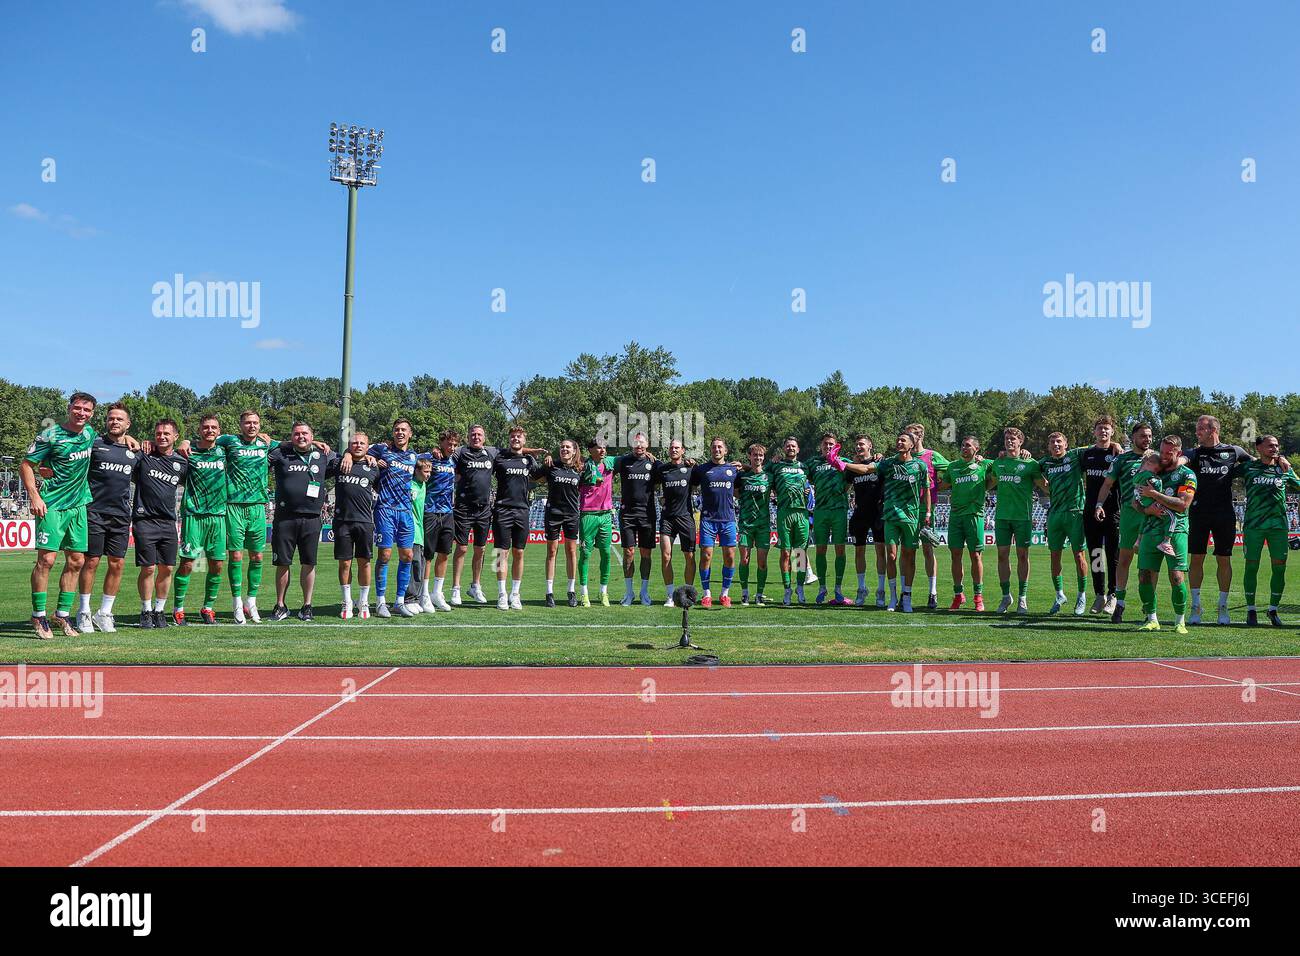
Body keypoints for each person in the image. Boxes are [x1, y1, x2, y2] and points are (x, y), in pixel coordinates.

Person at [1184, 415, 1289, 625]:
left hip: (1224, 513)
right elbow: (1175, 458)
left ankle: (1223, 608)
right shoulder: (1193, 453)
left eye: (1200, 429)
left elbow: (1259, 462)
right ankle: (1196, 608)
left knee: (1224, 559)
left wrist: (1280, 458)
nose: (1197, 432)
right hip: (1198, 512)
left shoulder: (1234, 451)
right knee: (1196, 559)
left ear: (1213, 430)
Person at [22, 392, 100, 638]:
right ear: (69, 409)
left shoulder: (90, 434)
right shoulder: (50, 434)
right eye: (78, 408)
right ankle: (39, 617)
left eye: (87, 410)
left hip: (78, 506)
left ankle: (62, 615)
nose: (82, 413)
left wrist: (130, 437)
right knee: (46, 561)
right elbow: (26, 465)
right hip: (52, 506)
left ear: (92, 414)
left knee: (77, 561)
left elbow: (113, 439)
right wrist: (35, 496)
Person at [833, 431, 930, 612]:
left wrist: (928, 513)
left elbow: (926, 489)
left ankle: (896, 594)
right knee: (883, 555)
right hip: (878, 515)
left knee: (901, 556)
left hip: (897, 515)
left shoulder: (907, 464)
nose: (899, 442)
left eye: (903, 440)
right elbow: (859, 475)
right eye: (898, 439)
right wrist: (843, 464)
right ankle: (882, 594)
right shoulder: (882, 464)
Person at [77, 402, 141, 633]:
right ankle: (83, 611)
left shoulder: (136, 452)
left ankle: (104, 613)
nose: (114, 422)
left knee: (117, 563)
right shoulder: (94, 444)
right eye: (111, 418)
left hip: (121, 515)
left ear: (128, 424)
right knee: (91, 562)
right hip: (94, 511)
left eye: (119, 419)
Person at [267, 423, 335, 621]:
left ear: (312, 436)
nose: (301, 437)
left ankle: (307, 606)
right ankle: (280, 605)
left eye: (305, 433)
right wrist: (284, 443)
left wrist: (347, 455)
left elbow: (349, 456)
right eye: (296, 434)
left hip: (312, 518)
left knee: (309, 563)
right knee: (282, 563)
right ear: (291, 437)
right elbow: (264, 446)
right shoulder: (281, 453)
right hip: (284, 518)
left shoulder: (324, 455)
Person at [1232, 435, 1300, 626]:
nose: (1274, 448)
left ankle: (1272, 609)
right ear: (1259, 447)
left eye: (1277, 445)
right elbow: (1225, 473)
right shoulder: (1248, 468)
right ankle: (1251, 610)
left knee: (1279, 568)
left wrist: (1287, 465)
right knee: (1251, 567)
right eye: (1270, 445)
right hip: (1254, 526)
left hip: (1278, 527)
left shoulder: (1284, 468)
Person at [1091, 424, 1155, 623]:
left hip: (1152, 517)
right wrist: (1099, 504)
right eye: (1143, 436)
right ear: (1133, 437)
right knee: (1124, 559)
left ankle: (1149, 608)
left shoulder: (1157, 459)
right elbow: (1107, 484)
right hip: (1128, 515)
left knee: (1149, 564)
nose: (1147, 439)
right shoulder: (1122, 459)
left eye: (1150, 436)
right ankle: (1119, 603)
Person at [1133, 436, 1197, 633]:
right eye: (1162, 451)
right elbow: (1135, 502)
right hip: (1151, 530)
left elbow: (1182, 504)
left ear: (1179, 453)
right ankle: (1152, 619)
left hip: (1175, 530)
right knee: (1144, 575)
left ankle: (1180, 622)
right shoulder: (1152, 471)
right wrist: (1147, 511)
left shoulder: (1188, 475)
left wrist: (1155, 495)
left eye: (1169, 453)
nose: (1163, 456)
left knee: (1176, 577)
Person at [172, 413, 230, 625]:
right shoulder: (189, 452)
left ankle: (208, 608)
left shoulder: (224, 451)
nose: (210, 430)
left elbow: (248, 439)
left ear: (219, 431)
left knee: (216, 565)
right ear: (199, 430)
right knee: (188, 563)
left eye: (214, 427)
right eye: (206, 427)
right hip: (194, 515)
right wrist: (184, 441)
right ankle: (178, 608)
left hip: (218, 516)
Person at [132, 419, 189, 629]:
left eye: (166, 433)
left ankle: (159, 610)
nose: (162, 437)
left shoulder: (182, 463)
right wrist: (136, 440)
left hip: (168, 522)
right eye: (158, 433)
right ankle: (146, 610)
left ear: (175, 436)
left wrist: (187, 441)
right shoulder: (144, 455)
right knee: (148, 568)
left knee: (167, 568)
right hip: (144, 520)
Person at [364, 419, 420, 617]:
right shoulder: (382, 449)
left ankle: (399, 601)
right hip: (385, 509)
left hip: (405, 512)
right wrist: (372, 459)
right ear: (393, 433)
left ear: (410, 433)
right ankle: (380, 602)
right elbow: (361, 450)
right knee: (385, 555)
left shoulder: (415, 456)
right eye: (397, 430)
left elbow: (432, 462)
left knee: (407, 556)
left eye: (404, 430)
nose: (400, 433)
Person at [988, 428, 1045, 614]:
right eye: (1007, 439)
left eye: (1013, 439)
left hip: (1023, 517)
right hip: (1002, 517)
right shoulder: (999, 462)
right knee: (1002, 556)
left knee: (1022, 556)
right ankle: (1006, 597)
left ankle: (1022, 598)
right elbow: (989, 481)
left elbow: (1044, 486)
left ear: (1021, 442)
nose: (1009, 441)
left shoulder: (1030, 463)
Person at [936, 436, 991, 611]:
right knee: (955, 555)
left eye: (968, 446)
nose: (964, 448)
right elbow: (942, 485)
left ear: (976, 449)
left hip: (974, 515)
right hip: (956, 517)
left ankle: (978, 596)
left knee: (975, 556)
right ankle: (958, 595)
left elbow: (1004, 462)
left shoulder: (984, 465)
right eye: (962, 445)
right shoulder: (953, 467)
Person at [328, 431, 378, 619]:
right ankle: (347, 601)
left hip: (365, 522)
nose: (358, 445)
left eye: (362, 443)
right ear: (348, 446)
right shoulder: (340, 463)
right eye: (354, 443)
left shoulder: (374, 467)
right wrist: (345, 455)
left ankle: (363, 602)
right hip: (342, 523)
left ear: (367, 446)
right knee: (345, 563)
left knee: (364, 563)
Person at [490, 426, 540, 610]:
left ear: (524, 441)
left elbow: (540, 477)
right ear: (509, 439)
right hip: (502, 510)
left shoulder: (529, 460)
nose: (515, 439)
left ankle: (515, 593)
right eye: (512, 436)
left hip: (522, 511)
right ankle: (501, 593)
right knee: (500, 553)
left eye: (519, 436)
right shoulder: (500, 457)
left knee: (519, 552)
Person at [904, 424, 951, 609]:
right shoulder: (904, 456)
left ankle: (933, 592)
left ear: (921, 435)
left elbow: (952, 468)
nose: (910, 437)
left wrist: (940, 484)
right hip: (907, 509)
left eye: (913, 434)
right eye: (908, 434)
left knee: (927, 550)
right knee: (908, 552)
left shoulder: (932, 456)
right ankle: (906, 592)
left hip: (926, 510)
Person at [691, 438, 741, 608]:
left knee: (730, 556)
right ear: (710, 450)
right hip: (708, 520)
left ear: (725, 451)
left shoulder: (733, 470)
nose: (717, 449)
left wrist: (746, 466)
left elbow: (742, 486)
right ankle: (706, 594)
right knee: (706, 556)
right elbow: (689, 480)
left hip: (728, 520)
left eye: (720, 447)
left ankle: (725, 594)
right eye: (714, 447)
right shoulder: (702, 470)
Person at [1080, 417, 1122, 614]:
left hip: (1113, 510)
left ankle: (1113, 594)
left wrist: (1117, 445)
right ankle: (1099, 595)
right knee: (1096, 553)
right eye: (1100, 429)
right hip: (1090, 510)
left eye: (1106, 429)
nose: (1103, 432)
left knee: (1113, 555)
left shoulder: (1118, 454)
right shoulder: (1086, 454)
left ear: (1112, 432)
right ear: (1094, 431)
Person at [764, 438, 813, 606]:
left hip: (801, 513)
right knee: (785, 553)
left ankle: (800, 587)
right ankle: (787, 589)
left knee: (799, 553)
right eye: (788, 445)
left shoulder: (805, 467)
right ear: (783, 448)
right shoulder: (775, 465)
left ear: (798, 449)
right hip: (784, 513)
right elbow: (757, 470)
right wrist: (771, 461)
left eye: (793, 446)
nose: (790, 448)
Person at [535, 439, 583, 607]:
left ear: (574, 450)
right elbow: (535, 476)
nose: (564, 449)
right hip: (553, 514)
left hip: (571, 515)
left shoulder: (580, 469)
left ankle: (571, 591)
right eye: (562, 447)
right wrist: (545, 457)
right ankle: (549, 592)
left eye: (567, 447)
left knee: (571, 551)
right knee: (552, 551)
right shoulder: (551, 465)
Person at [613, 433, 659, 606]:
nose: (639, 445)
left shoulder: (654, 463)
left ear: (647, 444)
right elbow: (604, 461)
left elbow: (673, 468)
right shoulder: (623, 461)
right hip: (627, 514)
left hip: (647, 515)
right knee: (628, 552)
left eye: (642, 442)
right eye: (635, 442)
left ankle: (644, 591)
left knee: (646, 554)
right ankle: (629, 592)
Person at [418, 430, 459, 612]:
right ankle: (424, 594)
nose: (452, 448)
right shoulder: (429, 458)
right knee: (428, 555)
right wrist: (432, 451)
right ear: (441, 443)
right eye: (449, 444)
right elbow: (416, 460)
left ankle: (437, 592)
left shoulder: (454, 460)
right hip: (430, 512)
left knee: (444, 554)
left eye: (455, 445)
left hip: (448, 513)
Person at [653, 439, 698, 607]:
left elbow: (702, 478)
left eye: (677, 448)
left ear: (683, 450)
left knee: (690, 557)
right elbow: (651, 482)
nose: (674, 450)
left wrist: (695, 463)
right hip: (667, 518)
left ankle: (688, 594)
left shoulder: (691, 469)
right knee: (665, 555)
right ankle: (670, 595)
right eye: (671, 447)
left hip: (686, 517)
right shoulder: (662, 469)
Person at [845, 435, 887, 607]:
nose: (858, 446)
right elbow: (845, 488)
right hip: (860, 514)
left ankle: (881, 590)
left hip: (878, 514)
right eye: (857, 444)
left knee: (880, 552)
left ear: (870, 446)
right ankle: (862, 589)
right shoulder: (852, 468)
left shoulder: (880, 463)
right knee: (859, 552)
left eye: (862, 444)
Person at [578, 439, 616, 606]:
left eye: (604, 447)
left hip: (606, 515)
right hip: (588, 514)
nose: (602, 450)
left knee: (606, 553)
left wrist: (646, 453)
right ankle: (584, 593)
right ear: (590, 450)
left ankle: (603, 592)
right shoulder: (583, 466)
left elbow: (632, 456)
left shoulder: (610, 462)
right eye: (599, 447)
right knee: (586, 553)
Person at [736, 443, 773, 606]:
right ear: (749, 457)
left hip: (763, 526)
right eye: (754, 455)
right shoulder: (741, 476)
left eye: (760, 456)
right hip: (745, 524)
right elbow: (735, 493)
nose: (757, 458)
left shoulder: (769, 476)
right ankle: (744, 593)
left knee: (762, 562)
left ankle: (759, 594)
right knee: (744, 560)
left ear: (763, 458)